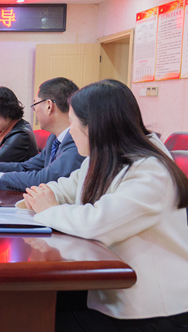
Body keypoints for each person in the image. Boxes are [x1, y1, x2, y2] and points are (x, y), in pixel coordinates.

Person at [24, 79, 188, 331]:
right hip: (111, 288)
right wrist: (30, 202)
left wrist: (49, 210)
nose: (70, 130)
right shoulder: (102, 157)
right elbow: (64, 188)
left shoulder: (151, 170)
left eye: (73, 122)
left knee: (32, 320)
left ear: (95, 127)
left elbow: (97, 223)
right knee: (29, 305)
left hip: (153, 310)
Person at [0, 78, 85, 191]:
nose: (34, 111)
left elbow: (45, 179)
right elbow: (26, 166)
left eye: (35, 105)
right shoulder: (54, 138)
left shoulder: (76, 141)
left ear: (49, 106)